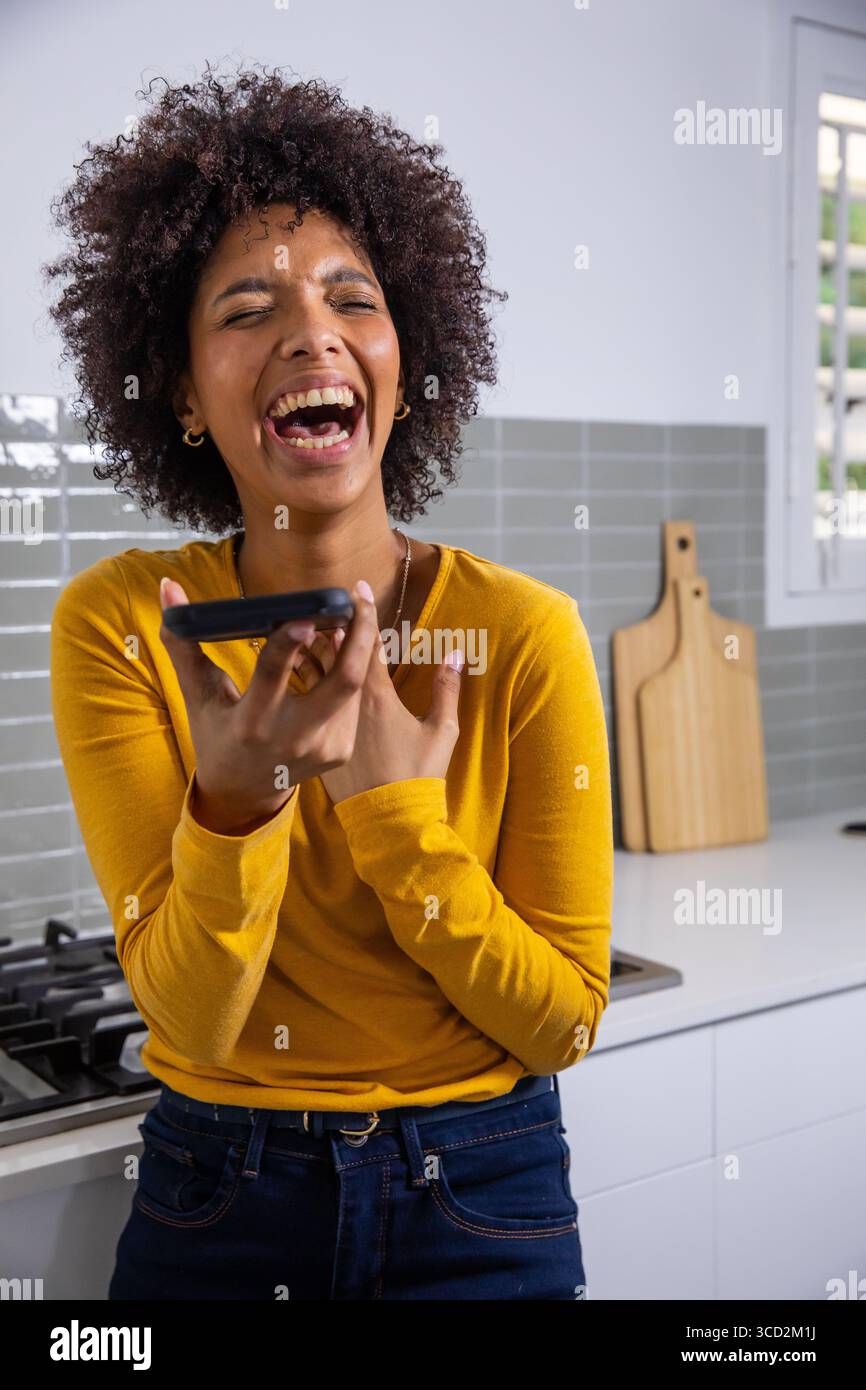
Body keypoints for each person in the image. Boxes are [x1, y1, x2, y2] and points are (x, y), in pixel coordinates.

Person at [45, 62, 613, 1301]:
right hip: (219, 1192)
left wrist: (397, 823)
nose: (311, 329)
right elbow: (189, 1025)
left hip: (483, 1188)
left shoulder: (521, 633)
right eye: (247, 309)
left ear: (402, 364)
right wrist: (235, 805)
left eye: (351, 298)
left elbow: (563, 1021)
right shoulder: (131, 627)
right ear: (186, 395)